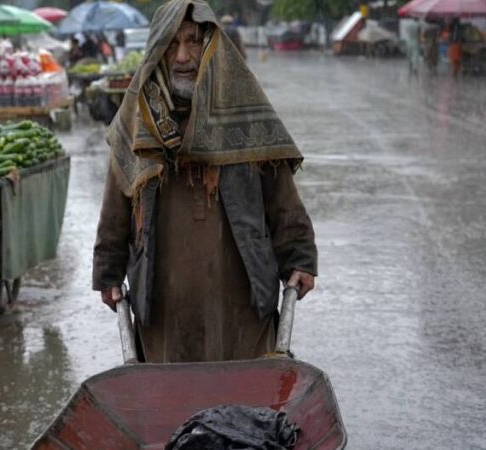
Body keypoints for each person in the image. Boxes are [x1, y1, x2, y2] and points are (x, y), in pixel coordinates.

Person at [92, 0, 317, 364]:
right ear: (157, 52)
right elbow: (116, 202)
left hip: (241, 305)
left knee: (244, 405)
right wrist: (107, 271)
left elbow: (282, 196)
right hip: (163, 309)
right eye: (172, 44)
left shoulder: (243, 108)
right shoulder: (137, 120)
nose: (183, 56)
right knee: (170, 405)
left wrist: (301, 257)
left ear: (212, 46)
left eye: (194, 42)